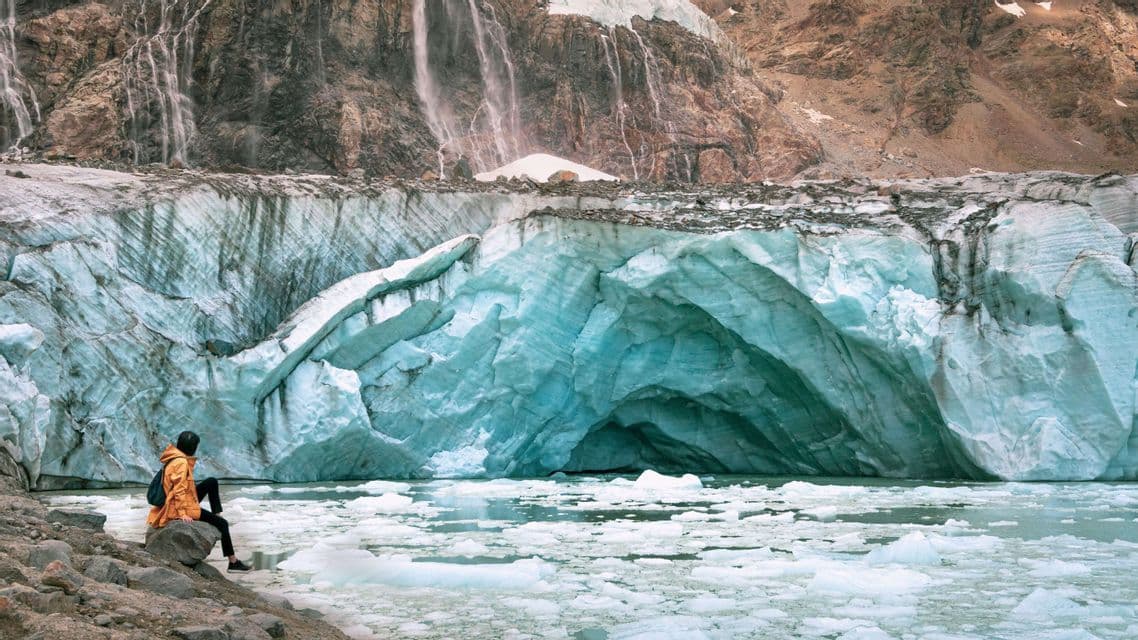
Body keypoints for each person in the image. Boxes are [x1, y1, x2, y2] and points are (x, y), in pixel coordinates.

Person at [146, 430, 252, 572]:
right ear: (193, 447)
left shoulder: (174, 458)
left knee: (211, 482)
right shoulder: (181, 463)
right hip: (177, 506)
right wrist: (182, 513)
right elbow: (179, 490)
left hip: (186, 499)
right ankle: (233, 562)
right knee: (223, 524)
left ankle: (217, 514)